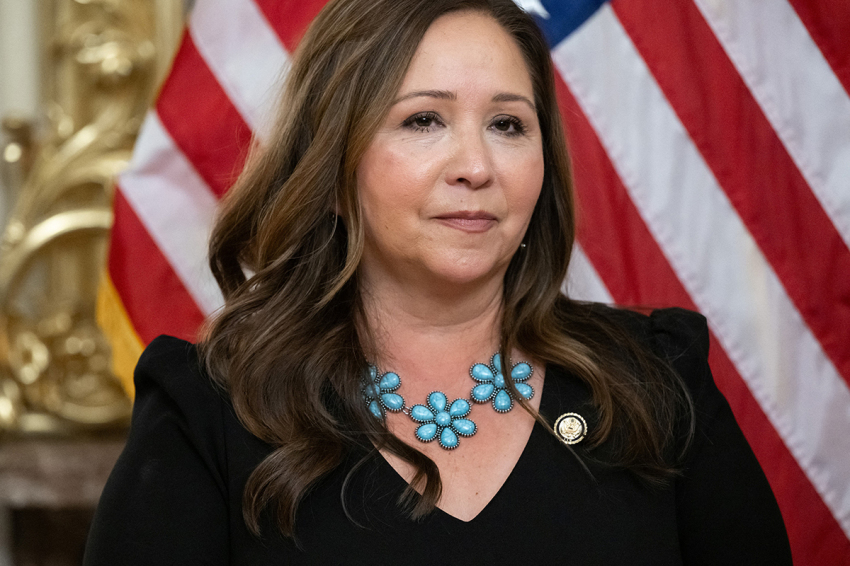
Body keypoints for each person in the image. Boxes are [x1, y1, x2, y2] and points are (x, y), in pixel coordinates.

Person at [84, 0, 793, 563]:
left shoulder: (658, 379)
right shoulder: (210, 413)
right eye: (424, 119)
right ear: (333, 170)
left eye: (509, 125)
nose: (477, 166)